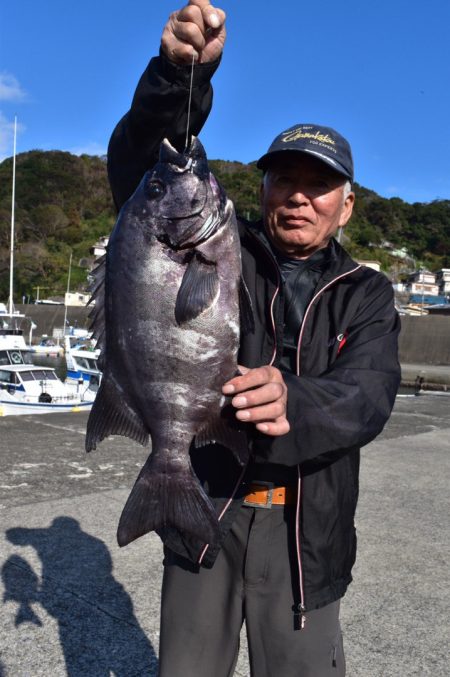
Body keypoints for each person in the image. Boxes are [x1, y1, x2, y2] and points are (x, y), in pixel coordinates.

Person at [107, 2, 401, 675]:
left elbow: (370, 394)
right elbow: (140, 176)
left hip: (307, 532)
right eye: (284, 179)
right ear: (262, 187)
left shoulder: (368, 292)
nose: (299, 197)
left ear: (347, 202)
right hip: (204, 499)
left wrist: (295, 399)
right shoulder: (222, 249)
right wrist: (176, 76)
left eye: (319, 184)